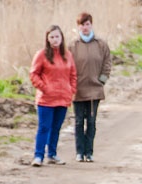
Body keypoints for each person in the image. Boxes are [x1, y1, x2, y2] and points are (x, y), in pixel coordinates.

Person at [29, 25, 77, 167]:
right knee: (44, 127)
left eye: (57, 37)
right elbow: (33, 74)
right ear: (48, 39)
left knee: (56, 128)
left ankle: (52, 154)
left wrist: (71, 90)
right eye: (52, 37)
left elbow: (73, 74)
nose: (55, 40)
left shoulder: (67, 55)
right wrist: (44, 88)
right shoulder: (42, 55)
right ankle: (38, 156)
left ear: (62, 38)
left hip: (62, 98)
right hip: (46, 99)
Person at [69, 12, 112, 163]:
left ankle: (89, 152)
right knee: (79, 121)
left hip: (95, 89)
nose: (85, 28)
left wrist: (102, 80)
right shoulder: (73, 46)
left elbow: (107, 62)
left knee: (91, 121)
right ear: (78, 27)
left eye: (87, 24)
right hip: (78, 90)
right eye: (82, 25)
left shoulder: (101, 44)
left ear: (91, 25)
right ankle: (79, 152)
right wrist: (71, 84)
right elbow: (68, 66)